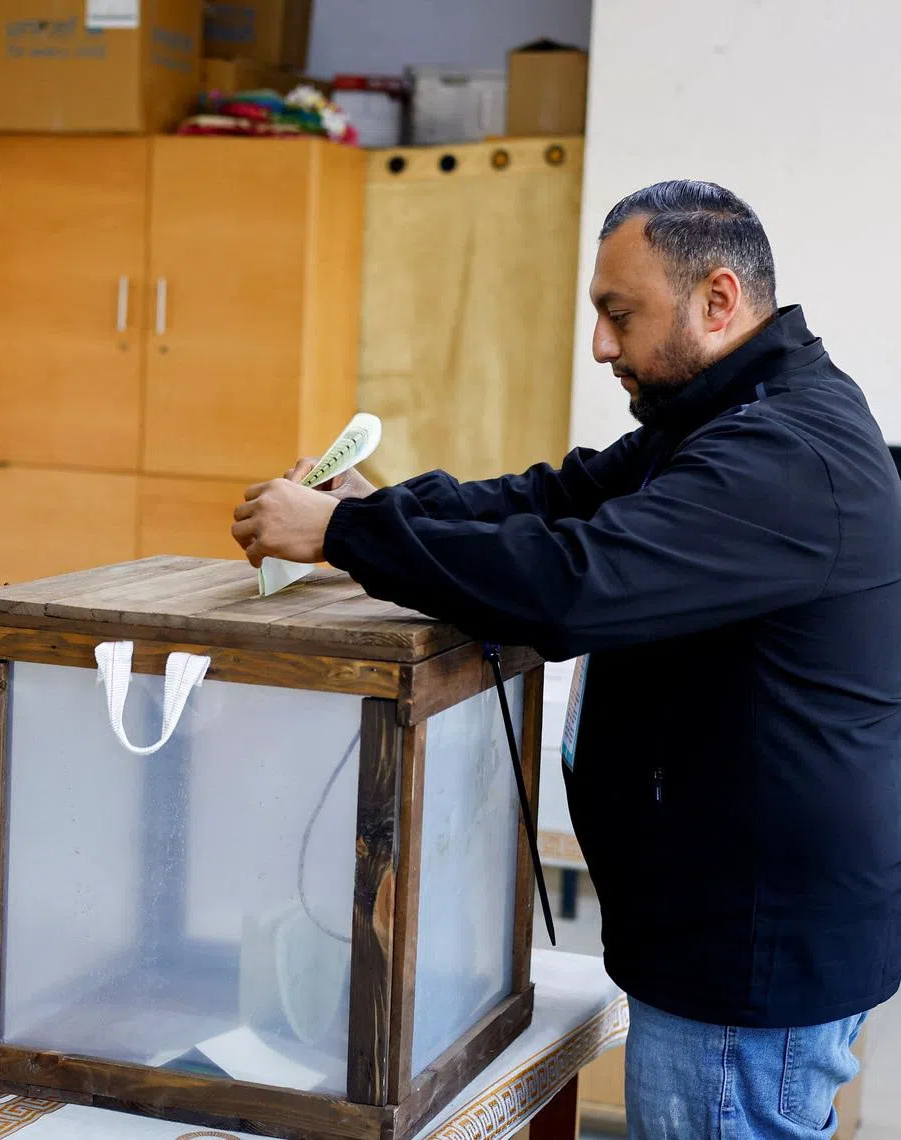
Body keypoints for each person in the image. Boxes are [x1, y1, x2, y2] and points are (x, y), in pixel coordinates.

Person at [232, 180, 901, 1139]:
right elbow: (557, 499)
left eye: (618, 315)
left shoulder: (781, 454)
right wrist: (380, 510)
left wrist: (342, 535)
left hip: (751, 944)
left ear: (718, 301)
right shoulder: (725, 417)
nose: (600, 346)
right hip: (726, 919)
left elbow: (573, 584)